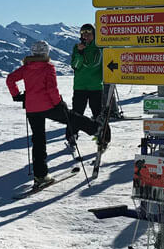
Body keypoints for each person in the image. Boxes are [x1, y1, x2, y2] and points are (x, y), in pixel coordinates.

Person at [7, 40, 105, 188]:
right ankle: (96, 129)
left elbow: (10, 79)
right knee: (71, 118)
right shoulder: (48, 68)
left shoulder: (26, 68)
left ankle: (41, 176)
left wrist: (17, 96)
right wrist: (59, 103)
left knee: (38, 141)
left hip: (32, 108)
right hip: (49, 105)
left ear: (32, 52)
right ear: (46, 52)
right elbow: (52, 89)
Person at [68, 23, 103, 143]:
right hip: (80, 86)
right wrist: (79, 53)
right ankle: (72, 135)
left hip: (96, 86)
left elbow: (98, 64)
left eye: (89, 34)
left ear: (94, 34)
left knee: (98, 114)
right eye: (83, 34)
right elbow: (75, 66)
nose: (86, 36)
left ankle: (103, 136)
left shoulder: (100, 47)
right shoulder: (77, 47)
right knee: (77, 113)